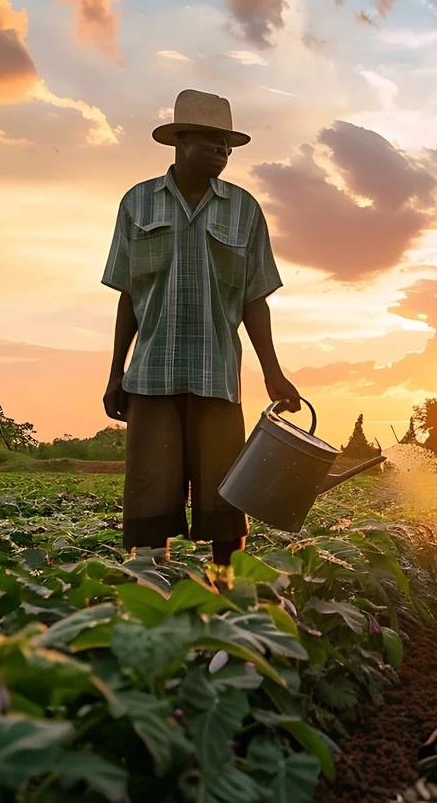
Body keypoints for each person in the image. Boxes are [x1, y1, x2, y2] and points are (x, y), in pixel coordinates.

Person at [100, 89, 300, 566]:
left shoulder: (244, 209)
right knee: (150, 496)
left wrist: (274, 372)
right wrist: (115, 372)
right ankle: (152, 588)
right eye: (212, 140)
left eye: (227, 144)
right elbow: (129, 295)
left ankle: (226, 592)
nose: (223, 151)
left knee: (223, 497)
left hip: (216, 374)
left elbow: (255, 299)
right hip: (150, 375)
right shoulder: (138, 203)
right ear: (180, 140)